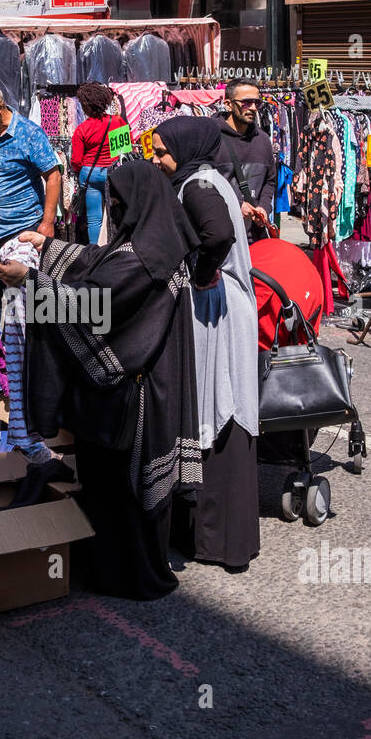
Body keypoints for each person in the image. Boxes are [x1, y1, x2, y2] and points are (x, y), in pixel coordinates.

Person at [0, 161, 202, 599]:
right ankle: (119, 568)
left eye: (118, 201)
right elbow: (100, 260)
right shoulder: (158, 241)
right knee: (116, 491)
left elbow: (94, 303)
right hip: (150, 384)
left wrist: (30, 280)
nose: (112, 208)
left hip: (133, 392)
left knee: (119, 489)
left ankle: (127, 575)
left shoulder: (143, 259)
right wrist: (46, 246)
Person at [150, 116, 261, 572]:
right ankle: (220, 538)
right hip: (223, 306)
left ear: (185, 147)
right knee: (223, 402)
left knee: (219, 404)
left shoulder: (196, 185)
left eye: (161, 151)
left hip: (216, 309)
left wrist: (201, 272)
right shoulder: (205, 177)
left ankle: (217, 540)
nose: (157, 159)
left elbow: (218, 235)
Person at [0, 82, 61, 315]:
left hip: (23, 230)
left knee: (24, 301)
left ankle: (26, 349)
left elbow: (53, 176)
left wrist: (48, 223)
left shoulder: (29, 134)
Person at [214, 77, 277, 240]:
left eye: (257, 102)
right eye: (246, 102)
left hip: (254, 237)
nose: (253, 108)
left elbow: (270, 181)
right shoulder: (211, 138)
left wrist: (264, 207)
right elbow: (203, 185)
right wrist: (235, 205)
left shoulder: (263, 140)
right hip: (221, 237)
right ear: (228, 104)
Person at [70, 82, 127, 245]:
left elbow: (76, 161)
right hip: (113, 173)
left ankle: (96, 253)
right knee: (117, 214)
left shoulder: (82, 129)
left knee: (94, 219)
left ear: (85, 106)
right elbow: (123, 151)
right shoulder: (118, 122)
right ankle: (117, 247)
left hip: (90, 174)